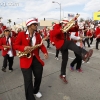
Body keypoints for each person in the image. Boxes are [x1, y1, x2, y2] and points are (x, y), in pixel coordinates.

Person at [50, 16, 93, 84]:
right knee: (70, 43)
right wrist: (60, 29)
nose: (65, 25)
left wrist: (75, 23)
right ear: (61, 22)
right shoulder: (57, 26)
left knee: (65, 60)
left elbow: (75, 29)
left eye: (66, 23)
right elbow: (52, 33)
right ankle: (85, 54)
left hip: (64, 45)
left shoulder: (67, 27)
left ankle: (62, 75)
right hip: (60, 43)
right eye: (64, 23)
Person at [14, 18, 48, 100]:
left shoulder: (37, 35)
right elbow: (15, 45)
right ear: (29, 26)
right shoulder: (21, 34)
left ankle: (35, 91)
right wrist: (24, 47)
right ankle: (30, 98)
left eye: (36, 24)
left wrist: (45, 52)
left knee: (38, 76)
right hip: (25, 59)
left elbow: (41, 45)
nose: (37, 26)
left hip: (35, 58)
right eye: (35, 24)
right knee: (28, 80)